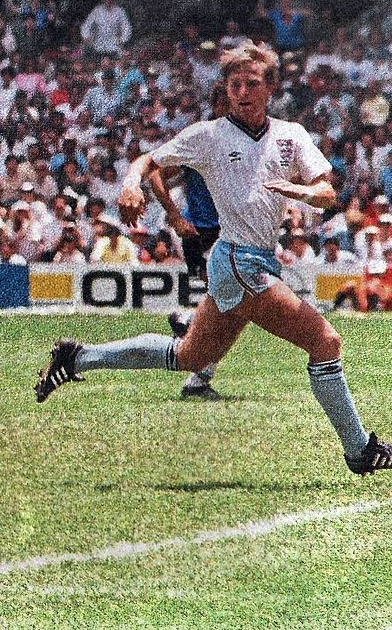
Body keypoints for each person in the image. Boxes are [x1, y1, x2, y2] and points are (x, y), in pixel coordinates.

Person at [36, 43, 392, 476]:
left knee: (189, 356)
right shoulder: (210, 135)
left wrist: (303, 192)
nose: (242, 92)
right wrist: (131, 183)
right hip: (238, 263)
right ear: (225, 89)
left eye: (252, 83)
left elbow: (328, 191)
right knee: (326, 342)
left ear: (270, 88)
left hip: (247, 260)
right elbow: (148, 161)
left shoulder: (291, 135)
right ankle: (360, 450)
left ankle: (77, 358)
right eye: (234, 84)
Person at [148, 88, 229, 400]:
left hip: (230, 232)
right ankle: (197, 377)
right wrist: (174, 215)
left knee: (228, 305)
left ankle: (189, 323)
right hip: (203, 233)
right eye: (229, 102)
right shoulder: (200, 139)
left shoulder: (246, 140)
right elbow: (155, 173)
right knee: (228, 304)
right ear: (218, 105)